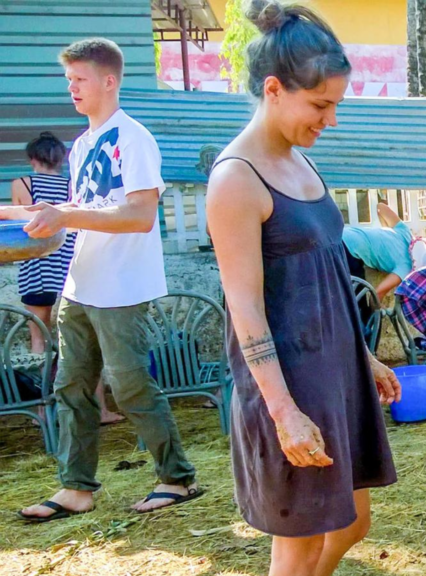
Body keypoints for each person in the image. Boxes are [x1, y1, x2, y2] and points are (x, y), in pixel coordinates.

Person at [204, 2, 400, 575]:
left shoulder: (302, 165)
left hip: (336, 373)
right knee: (299, 545)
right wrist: (284, 411)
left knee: (355, 522)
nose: (329, 119)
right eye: (320, 105)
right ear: (274, 89)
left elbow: (329, 276)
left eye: (334, 104)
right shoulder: (235, 180)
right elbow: (244, 305)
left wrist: (363, 357)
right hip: (287, 385)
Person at [9, 37, 200, 522]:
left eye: (79, 79)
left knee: (132, 386)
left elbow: (138, 215)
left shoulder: (133, 138)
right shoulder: (83, 144)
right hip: (80, 281)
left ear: (109, 80)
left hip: (122, 284)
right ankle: (76, 488)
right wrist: (31, 213)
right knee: (70, 386)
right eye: (68, 79)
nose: (70, 87)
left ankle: (176, 478)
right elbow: (80, 211)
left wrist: (65, 213)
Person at [10, 132, 124, 425]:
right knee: (83, 342)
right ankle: (100, 409)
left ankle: (40, 414)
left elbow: (23, 226)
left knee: (39, 341)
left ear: (32, 158)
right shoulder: (72, 186)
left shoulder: (22, 184)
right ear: (60, 159)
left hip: (35, 270)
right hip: (69, 270)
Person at [342, 202, 419, 301]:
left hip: (341, 235)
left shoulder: (405, 232)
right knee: (358, 302)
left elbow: (380, 207)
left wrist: (384, 232)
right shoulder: (406, 267)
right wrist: (376, 310)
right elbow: (378, 293)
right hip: (349, 251)